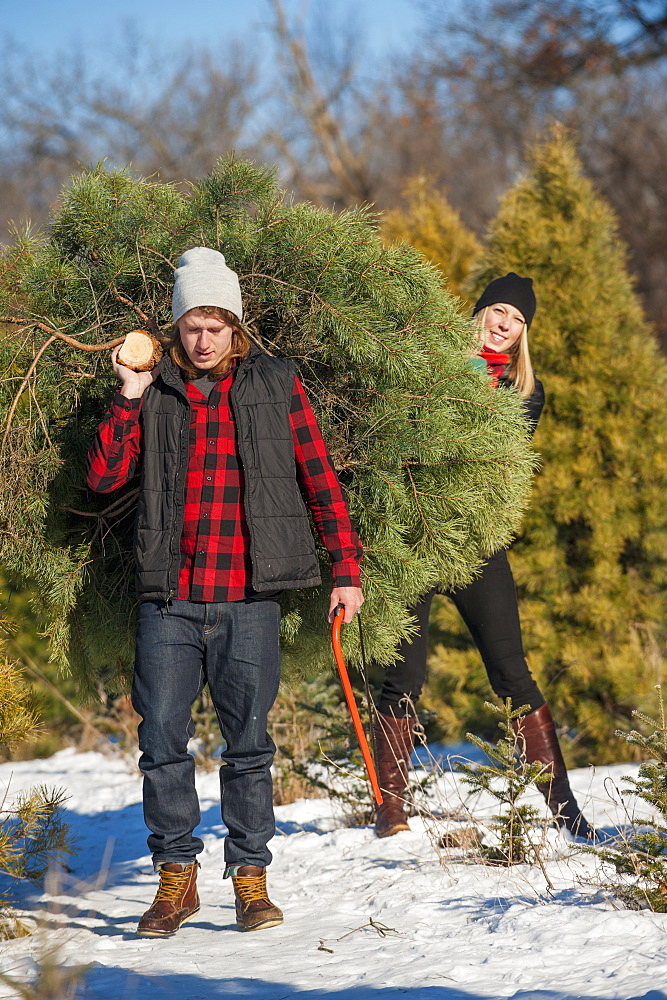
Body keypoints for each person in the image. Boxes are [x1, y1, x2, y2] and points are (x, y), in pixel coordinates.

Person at [86, 247, 364, 936]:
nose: (202, 338)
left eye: (215, 324)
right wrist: (127, 393)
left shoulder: (277, 384)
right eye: (191, 325)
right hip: (170, 599)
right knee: (162, 746)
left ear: (235, 327)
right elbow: (101, 480)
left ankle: (250, 878)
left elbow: (318, 479)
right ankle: (175, 879)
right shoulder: (154, 393)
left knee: (249, 747)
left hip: (248, 600)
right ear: (175, 330)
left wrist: (346, 569)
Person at [373, 272, 593, 840]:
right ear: (479, 311)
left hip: (475, 545)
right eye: (498, 310)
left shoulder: (525, 391)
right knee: (402, 678)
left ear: (525, 333)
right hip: (416, 539)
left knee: (512, 674)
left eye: (518, 320)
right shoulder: (429, 363)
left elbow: (491, 462)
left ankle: (566, 811)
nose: (505, 325)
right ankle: (391, 811)